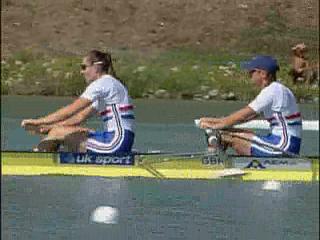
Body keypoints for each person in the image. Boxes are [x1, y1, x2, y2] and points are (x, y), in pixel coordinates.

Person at [21, 50, 135, 153]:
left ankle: (40, 159)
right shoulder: (111, 84)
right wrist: (50, 127)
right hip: (122, 141)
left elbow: (71, 110)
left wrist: (38, 122)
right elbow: (80, 117)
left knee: (58, 133)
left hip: (115, 143)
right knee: (62, 131)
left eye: (84, 67)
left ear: (96, 67)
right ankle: (45, 153)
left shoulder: (102, 83)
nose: (81, 72)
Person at [199, 55, 302, 157]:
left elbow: (242, 115)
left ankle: (211, 163)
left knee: (224, 135)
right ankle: (216, 160)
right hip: (286, 143)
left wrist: (214, 126)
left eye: (252, 72)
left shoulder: (272, 91)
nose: (249, 75)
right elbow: (246, 118)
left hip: (283, 146)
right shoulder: (279, 89)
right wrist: (214, 121)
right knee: (227, 132)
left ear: (263, 74)